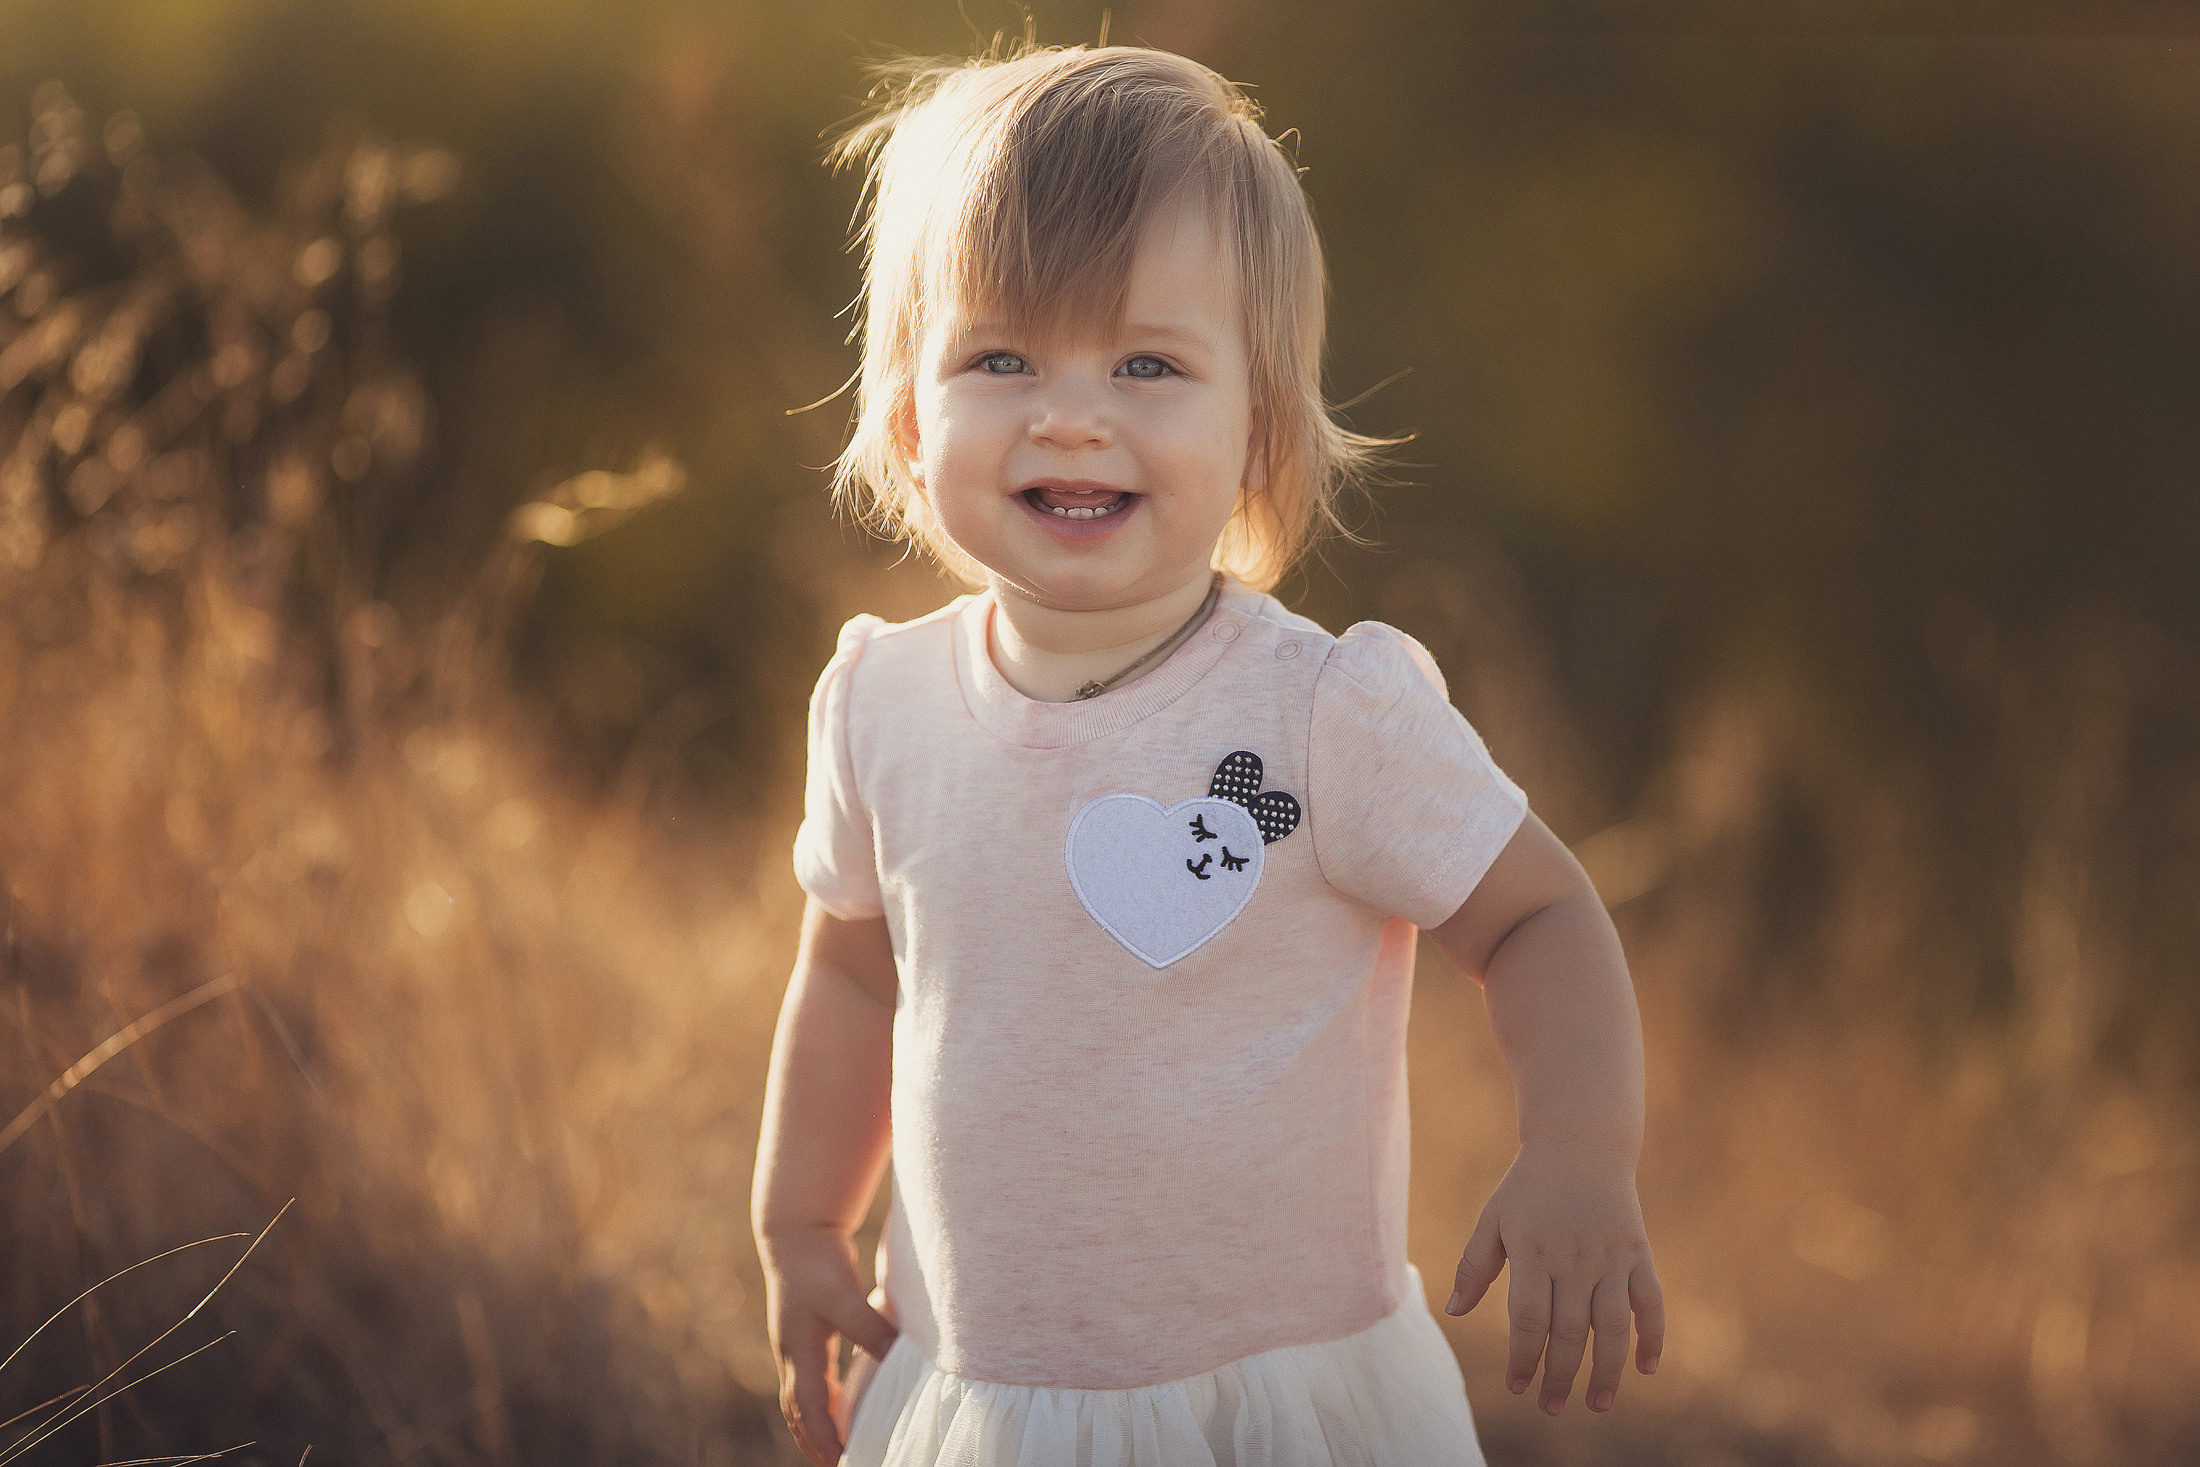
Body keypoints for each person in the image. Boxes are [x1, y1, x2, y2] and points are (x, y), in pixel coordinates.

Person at [750, 38, 1664, 1467]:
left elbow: (1541, 914)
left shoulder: (1320, 714)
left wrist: (1581, 1152)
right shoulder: (884, 704)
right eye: (1001, 355)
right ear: (914, 416)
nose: (1070, 411)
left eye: (1147, 363)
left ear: (1258, 429)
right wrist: (801, 1223)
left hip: (1273, 1408)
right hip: (993, 1394)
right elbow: (855, 970)